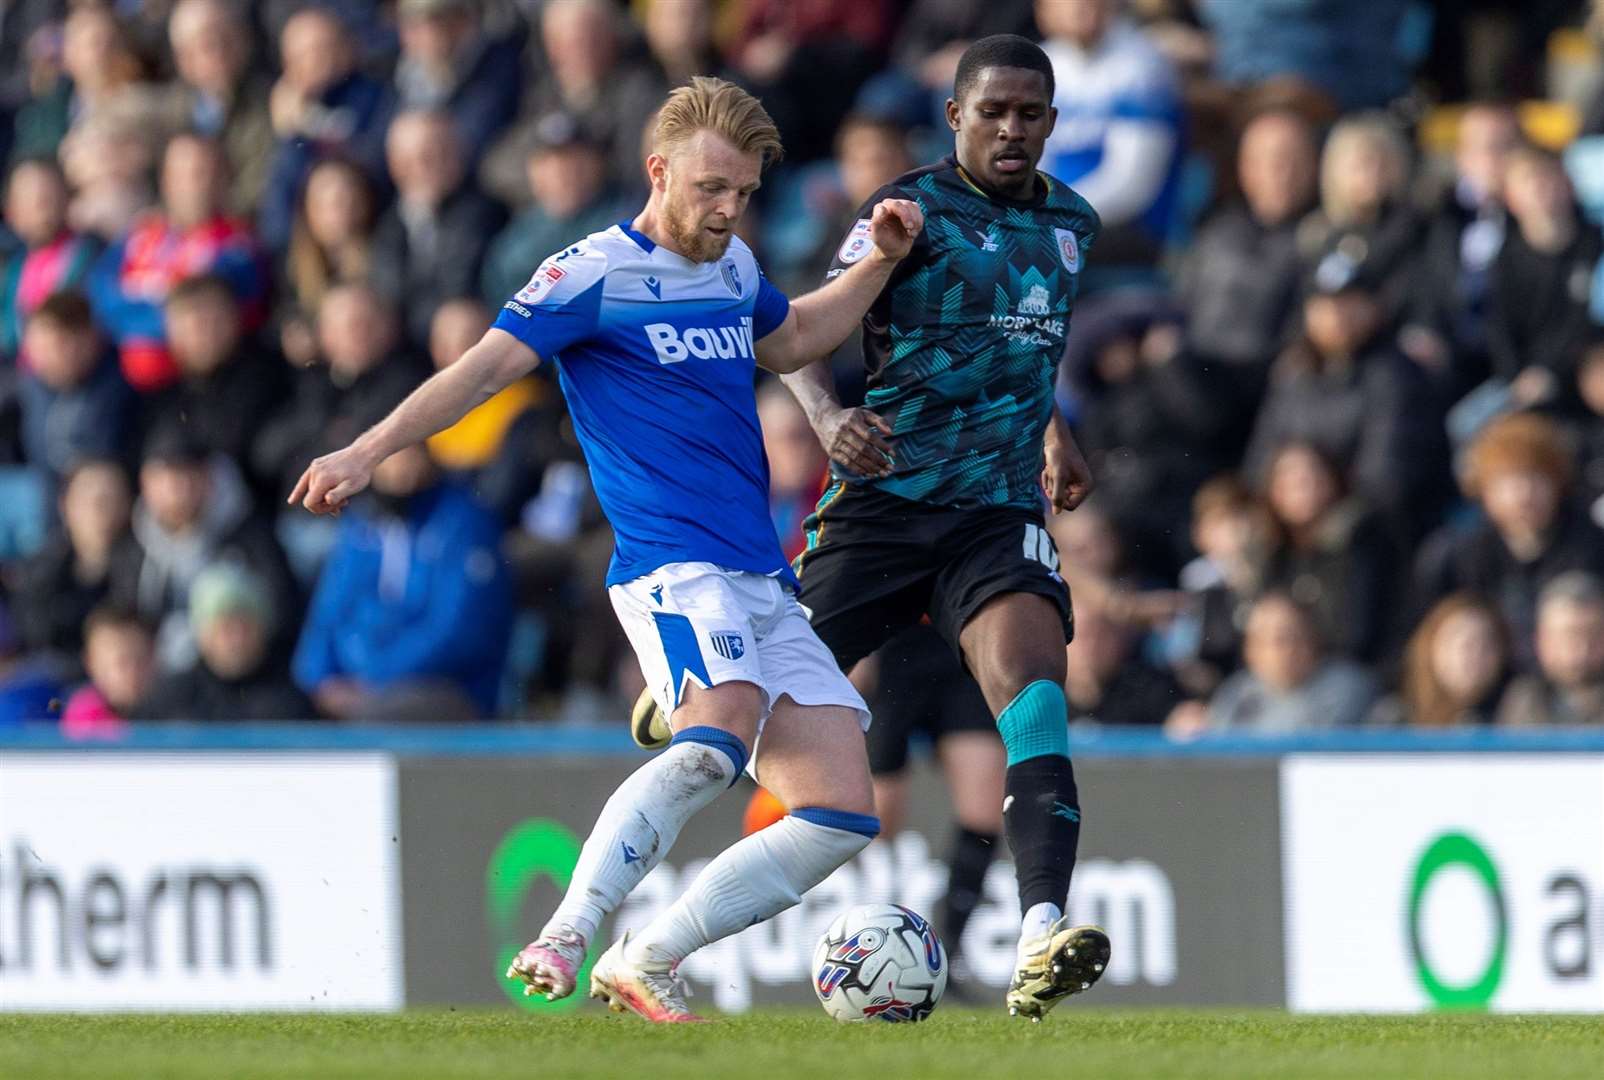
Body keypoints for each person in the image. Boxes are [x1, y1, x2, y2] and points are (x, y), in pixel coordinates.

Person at [289, 77, 924, 1023]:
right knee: (714, 744)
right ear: (657, 169)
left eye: (743, 192)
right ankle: (568, 930)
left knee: (839, 811)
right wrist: (365, 451)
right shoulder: (587, 273)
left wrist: (874, 263)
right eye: (711, 187)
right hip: (671, 566)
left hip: (758, 575)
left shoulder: (735, 267)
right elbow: (479, 373)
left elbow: (793, 343)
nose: (725, 209)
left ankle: (649, 954)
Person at [668, 36, 1108, 1019]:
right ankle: (653, 925)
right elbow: (791, 331)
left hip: (992, 514)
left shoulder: (1072, 226)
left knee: (1032, 686)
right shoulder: (902, 214)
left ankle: (1040, 932)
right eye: (990, 110)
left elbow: (1016, 341)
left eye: (1028, 113)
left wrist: (1052, 429)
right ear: (953, 117)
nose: (1009, 128)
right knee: (744, 701)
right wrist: (827, 419)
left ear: (1049, 122)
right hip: (881, 508)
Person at [89, 132, 267, 392]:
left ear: (223, 178)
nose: (195, 184)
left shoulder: (236, 245)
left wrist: (135, 317)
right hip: (129, 391)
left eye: (204, 172)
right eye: (182, 174)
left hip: (199, 387)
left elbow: (197, 314)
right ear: (165, 179)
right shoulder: (142, 235)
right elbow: (100, 297)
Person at [1037, 0, 1183, 272]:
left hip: (1128, 225)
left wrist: (1051, 215)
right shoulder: (1041, 63)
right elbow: (1032, 159)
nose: (1081, 8)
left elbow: (1132, 184)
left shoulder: (1143, 66)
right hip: (1052, 217)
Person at [369, 110, 506, 347]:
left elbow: (458, 287)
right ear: (395, 164)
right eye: (418, 157)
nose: (429, 166)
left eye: (442, 153)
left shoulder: (482, 213)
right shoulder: (388, 222)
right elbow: (387, 294)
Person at [141, 562, 312, 722]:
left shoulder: (289, 704)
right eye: (226, 627)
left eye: (246, 625)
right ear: (203, 632)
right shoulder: (172, 701)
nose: (237, 638)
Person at [1206, 591, 1377, 732]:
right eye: (1275, 639)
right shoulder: (1235, 694)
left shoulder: (1346, 687)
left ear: (1313, 639)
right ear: (1250, 650)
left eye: (1294, 636)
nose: (1288, 650)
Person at [0, 157, 99, 363]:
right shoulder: (13, 267)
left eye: (48, 194)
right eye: (28, 197)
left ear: (67, 197)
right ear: (12, 211)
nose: (40, 205)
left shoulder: (91, 254)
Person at [1369, 592, 1512, 727]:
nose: (1475, 655)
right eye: (1464, 644)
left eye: (1486, 644)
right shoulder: (1393, 719)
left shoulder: (1512, 719)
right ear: (1431, 647)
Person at [1500, 572, 1604, 725]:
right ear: (1542, 640)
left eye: (1594, 634)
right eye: (1570, 636)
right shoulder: (1523, 701)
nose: (1583, 649)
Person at [60, 605, 153, 738]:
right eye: (122, 663)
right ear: (92, 664)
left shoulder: (169, 709)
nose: (133, 671)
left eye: (142, 660)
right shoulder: (85, 716)